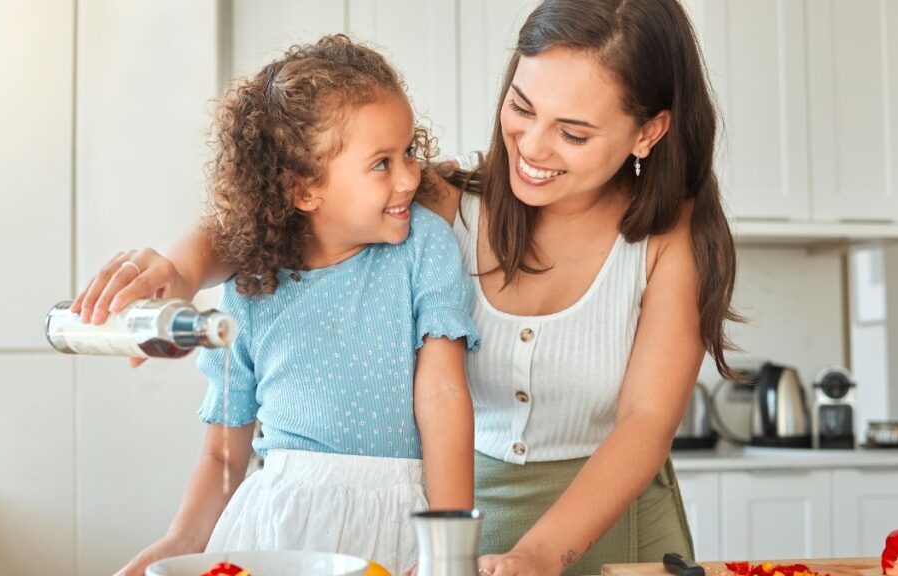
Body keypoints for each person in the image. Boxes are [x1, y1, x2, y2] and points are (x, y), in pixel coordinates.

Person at [76, 1, 739, 574]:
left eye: (573, 132)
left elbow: (646, 422)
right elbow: (283, 214)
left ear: (648, 130)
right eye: (521, 106)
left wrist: (542, 555)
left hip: (615, 530)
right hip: (460, 531)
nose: (531, 148)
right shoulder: (441, 200)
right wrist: (180, 269)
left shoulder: (673, 237)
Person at [88, 35, 481, 576]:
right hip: (271, 534)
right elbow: (224, 456)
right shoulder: (253, 286)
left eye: (408, 151)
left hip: (395, 525)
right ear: (304, 190)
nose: (411, 177)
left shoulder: (424, 248)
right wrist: (179, 541)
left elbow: (442, 396)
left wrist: (446, 552)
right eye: (381, 164)